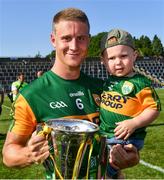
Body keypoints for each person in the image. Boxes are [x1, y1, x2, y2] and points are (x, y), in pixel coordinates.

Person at [3, 8, 139, 179]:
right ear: (53, 40)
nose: (74, 46)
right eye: (66, 38)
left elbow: (123, 142)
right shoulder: (32, 95)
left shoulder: (105, 88)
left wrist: (130, 156)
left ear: (88, 41)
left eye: (81, 39)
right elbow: (9, 153)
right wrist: (28, 154)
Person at [100, 28, 161, 178]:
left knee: (103, 170)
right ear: (103, 61)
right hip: (107, 136)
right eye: (112, 58)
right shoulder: (109, 82)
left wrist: (134, 123)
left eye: (123, 56)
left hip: (125, 138)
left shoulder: (140, 82)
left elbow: (154, 108)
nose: (118, 62)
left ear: (134, 56)